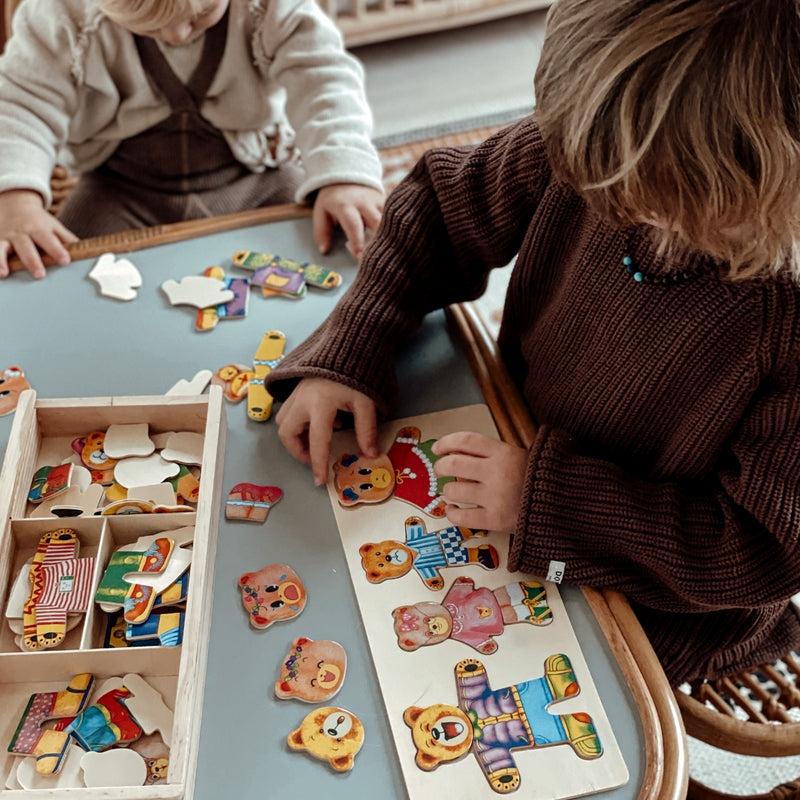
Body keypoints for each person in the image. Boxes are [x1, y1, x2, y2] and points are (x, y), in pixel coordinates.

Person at [265, 0, 800, 690]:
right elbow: (436, 206)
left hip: (661, 594)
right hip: (508, 450)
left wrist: (543, 500)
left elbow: (760, 551)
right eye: (596, 176)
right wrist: (355, 343)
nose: (612, 206)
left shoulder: (783, 318)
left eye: (653, 200)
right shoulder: (595, 141)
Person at [0, 0, 385, 279]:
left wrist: (343, 174)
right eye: (148, 25)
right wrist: (14, 198)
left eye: (201, 15)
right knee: (61, 271)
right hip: (120, 191)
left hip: (251, 178)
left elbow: (324, 83)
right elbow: (20, 104)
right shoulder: (60, 14)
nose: (177, 35)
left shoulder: (272, 8)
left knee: (339, 243)